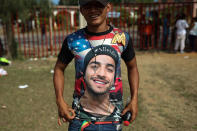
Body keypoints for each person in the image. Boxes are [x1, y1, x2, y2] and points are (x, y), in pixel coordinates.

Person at [53, 0, 139, 131]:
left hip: (113, 121)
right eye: (87, 6)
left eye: (98, 5)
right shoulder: (73, 40)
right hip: (79, 119)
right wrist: (60, 101)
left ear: (108, 7)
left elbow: (132, 67)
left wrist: (134, 99)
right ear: (81, 10)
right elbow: (59, 68)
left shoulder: (122, 38)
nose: (93, 10)